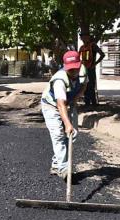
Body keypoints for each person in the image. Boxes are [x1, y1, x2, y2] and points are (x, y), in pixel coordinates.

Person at [41, 51, 88, 180]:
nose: (73, 71)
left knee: (73, 135)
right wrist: (67, 124)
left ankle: (57, 165)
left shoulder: (83, 71)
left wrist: (76, 98)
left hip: (69, 102)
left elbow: (84, 85)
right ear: (65, 66)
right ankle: (64, 169)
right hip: (51, 105)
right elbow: (60, 105)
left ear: (80, 64)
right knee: (58, 135)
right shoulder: (59, 80)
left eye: (76, 68)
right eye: (70, 69)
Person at [79, 32, 105, 106]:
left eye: (85, 36)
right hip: (83, 69)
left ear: (88, 37)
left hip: (91, 69)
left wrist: (95, 64)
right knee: (84, 86)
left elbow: (102, 55)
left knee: (91, 86)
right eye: (82, 37)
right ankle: (87, 103)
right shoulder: (82, 47)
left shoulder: (93, 45)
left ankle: (94, 103)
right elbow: (79, 58)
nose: (83, 38)